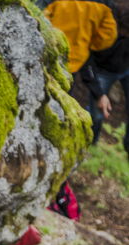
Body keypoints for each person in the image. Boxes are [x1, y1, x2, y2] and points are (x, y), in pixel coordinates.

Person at [43, 0, 118, 120]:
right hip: (74, 61)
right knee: (60, 105)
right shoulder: (105, 4)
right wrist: (87, 45)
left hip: (46, 53)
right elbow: (108, 37)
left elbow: (40, 18)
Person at [83, 2, 129, 154]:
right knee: (97, 113)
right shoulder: (101, 26)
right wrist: (99, 94)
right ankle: (90, 145)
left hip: (126, 69)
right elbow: (85, 60)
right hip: (102, 71)